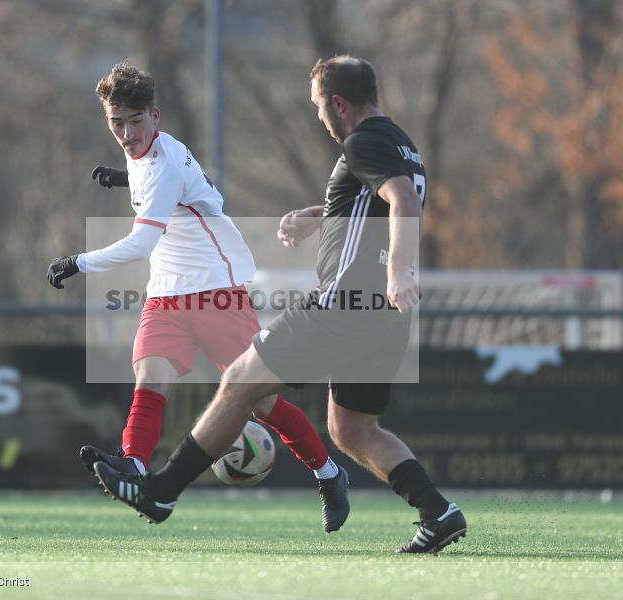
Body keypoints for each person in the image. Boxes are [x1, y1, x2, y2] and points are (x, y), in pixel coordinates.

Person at [93, 56, 467, 555]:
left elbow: (402, 201)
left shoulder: (363, 140)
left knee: (238, 382)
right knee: (352, 428)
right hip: (383, 317)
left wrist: (399, 271)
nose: (318, 116)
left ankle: (160, 493)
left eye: (318, 106)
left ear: (338, 103)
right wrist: (319, 216)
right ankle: (437, 511)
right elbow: (371, 202)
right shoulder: (401, 143)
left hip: (344, 305)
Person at [46, 60, 349, 533]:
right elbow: (191, 187)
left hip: (216, 289)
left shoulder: (163, 165)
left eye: (134, 121)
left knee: (259, 403)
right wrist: (125, 176)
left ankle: (329, 474)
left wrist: (78, 262)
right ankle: (135, 469)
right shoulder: (148, 154)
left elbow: (142, 242)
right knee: (151, 377)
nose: (125, 134)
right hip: (166, 291)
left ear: (156, 116)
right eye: (115, 122)